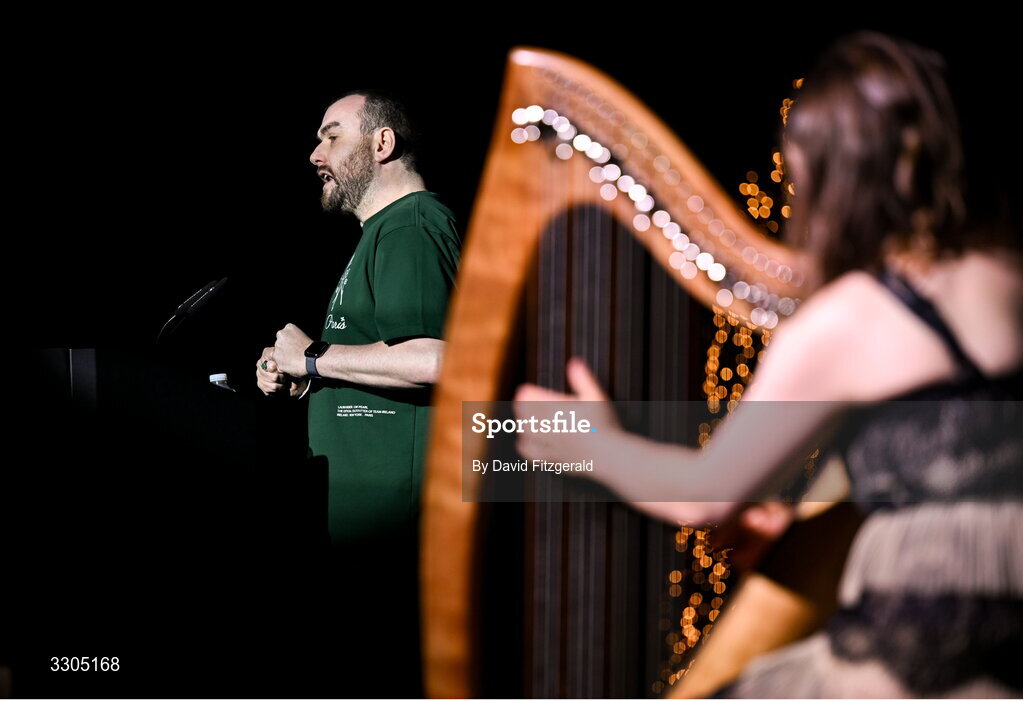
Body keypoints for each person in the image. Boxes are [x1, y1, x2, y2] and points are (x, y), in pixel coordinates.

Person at [516, 31, 1022, 697]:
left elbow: (703, 494)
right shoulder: (1004, 273)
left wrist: (589, 443)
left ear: (830, 176)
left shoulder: (854, 315)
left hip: (920, 657)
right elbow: (957, 458)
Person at [255, 90, 461, 697]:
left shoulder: (412, 224)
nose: (314, 151)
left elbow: (438, 359)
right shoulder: (383, 233)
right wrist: (302, 379)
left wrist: (315, 357)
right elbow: (380, 366)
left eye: (330, 136)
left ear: (381, 143)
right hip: (367, 539)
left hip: (398, 541)